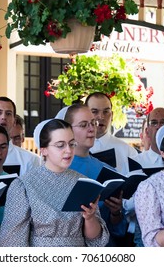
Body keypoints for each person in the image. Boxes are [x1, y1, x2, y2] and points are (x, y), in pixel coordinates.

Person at [0, 119, 110, 247]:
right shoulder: (23, 185)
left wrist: (90, 218)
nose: (68, 150)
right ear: (44, 149)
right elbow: (12, 241)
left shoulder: (84, 183)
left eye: (72, 144)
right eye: (60, 145)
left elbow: (96, 241)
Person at [63, 104, 128, 246]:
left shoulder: (108, 171)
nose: (92, 129)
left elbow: (117, 230)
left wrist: (115, 212)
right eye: (83, 125)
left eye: (93, 123)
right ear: (68, 130)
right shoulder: (58, 168)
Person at [132, 107, 164, 246]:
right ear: (147, 131)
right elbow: (127, 204)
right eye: (154, 123)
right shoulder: (136, 162)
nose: (159, 127)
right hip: (145, 235)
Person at [85, 92, 138, 176]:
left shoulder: (128, 152)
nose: (101, 117)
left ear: (112, 115)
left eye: (106, 112)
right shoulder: (73, 149)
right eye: (94, 112)